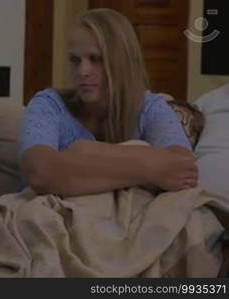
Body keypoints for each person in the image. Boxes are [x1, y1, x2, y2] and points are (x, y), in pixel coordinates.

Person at [19, 8, 198, 196]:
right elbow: (39, 172)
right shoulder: (49, 104)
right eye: (75, 60)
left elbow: (184, 169)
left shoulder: (149, 107)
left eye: (96, 59)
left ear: (122, 61)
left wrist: (84, 153)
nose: (83, 71)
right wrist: (150, 166)